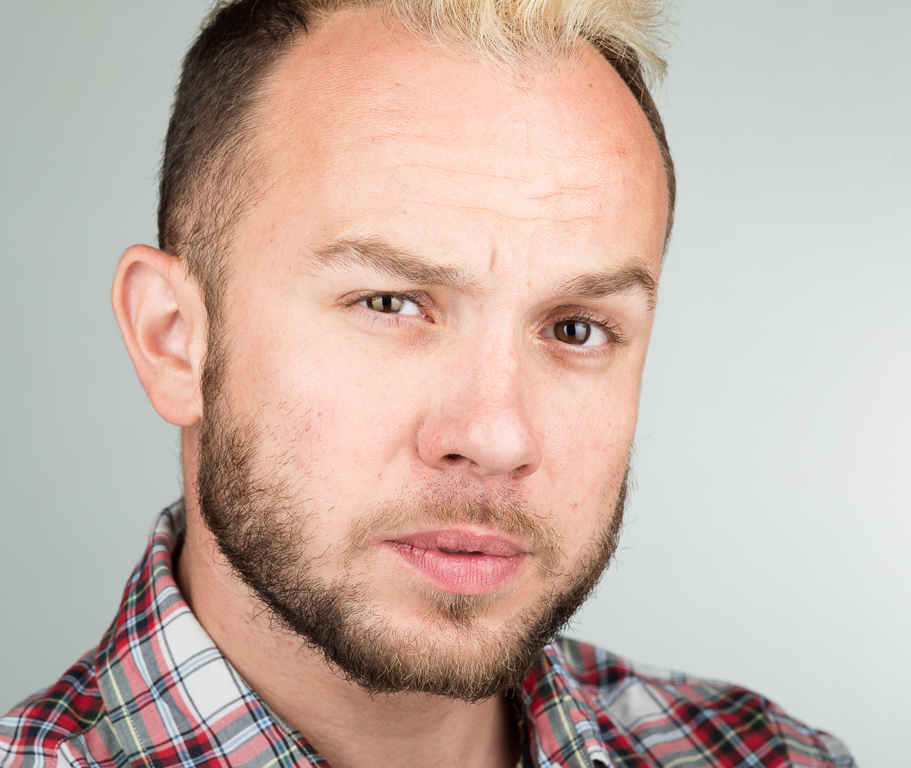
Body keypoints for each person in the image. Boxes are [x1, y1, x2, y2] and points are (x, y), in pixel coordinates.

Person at [0, 0, 856, 766]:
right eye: (391, 303)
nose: (497, 436)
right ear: (173, 340)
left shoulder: (774, 757)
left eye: (575, 328)